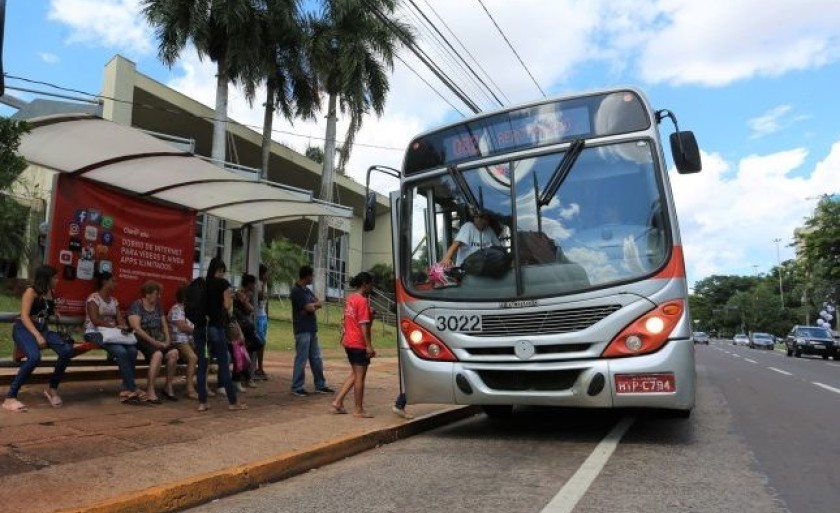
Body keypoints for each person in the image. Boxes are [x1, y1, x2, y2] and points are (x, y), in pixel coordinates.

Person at [3, 265, 72, 412]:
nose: (57, 280)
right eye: (54, 277)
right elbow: (24, 316)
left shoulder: (49, 292)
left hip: (42, 328)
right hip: (24, 328)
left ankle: (52, 389)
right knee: (34, 357)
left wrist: (55, 312)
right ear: (46, 278)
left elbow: (46, 309)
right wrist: (37, 335)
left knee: (66, 350)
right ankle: (10, 397)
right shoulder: (30, 291)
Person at [84, 272, 144, 404]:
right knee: (121, 351)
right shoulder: (93, 298)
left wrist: (123, 327)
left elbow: (120, 319)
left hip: (111, 334)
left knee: (132, 351)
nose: (115, 284)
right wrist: (113, 326)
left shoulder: (114, 300)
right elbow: (94, 320)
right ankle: (132, 387)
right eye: (113, 281)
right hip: (94, 333)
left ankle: (126, 386)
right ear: (105, 282)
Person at [196, 257, 246, 412]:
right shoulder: (223, 284)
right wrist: (231, 296)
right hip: (215, 329)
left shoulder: (202, 283)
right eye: (223, 271)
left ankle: (202, 403)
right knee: (224, 365)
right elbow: (227, 305)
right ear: (221, 271)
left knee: (202, 366)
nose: (224, 275)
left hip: (200, 329)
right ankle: (233, 402)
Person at [332, 272, 376, 418]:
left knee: (355, 374)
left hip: (348, 341)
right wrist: (369, 346)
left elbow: (352, 319)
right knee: (360, 377)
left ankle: (338, 402)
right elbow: (363, 325)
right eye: (371, 284)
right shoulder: (363, 301)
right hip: (358, 343)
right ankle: (358, 409)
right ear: (365, 284)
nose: (372, 287)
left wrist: (371, 316)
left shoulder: (350, 299)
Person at [127, 281, 179, 404]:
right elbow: (137, 328)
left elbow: (164, 325)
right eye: (157, 294)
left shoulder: (158, 305)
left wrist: (167, 340)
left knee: (174, 353)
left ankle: (168, 386)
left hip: (158, 337)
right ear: (148, 294)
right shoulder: (137, 305)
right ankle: (150, 389)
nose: (159, 296)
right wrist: (153, 342)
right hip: (143, 338)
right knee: (158, 354)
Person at [289, 265, 333, 396]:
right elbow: (310, 308)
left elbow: (318, 303)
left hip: (311, 329)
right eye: (311, 276)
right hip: (302, 329)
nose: (312, 278)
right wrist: (313, 306)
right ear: (306, 276)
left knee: (316, 358)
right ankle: (297, 386)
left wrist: (313, 305)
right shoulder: (296, 291)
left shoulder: (307, 291)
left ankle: (320, 384)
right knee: (301, 359)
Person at [168, 283, 199, 400]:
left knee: (206, 354)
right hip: (179, 341)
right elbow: (183, 327)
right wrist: (198, 331)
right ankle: (189, 389)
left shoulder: (189, 309)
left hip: (191, 340)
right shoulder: (177, 309)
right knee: (193, 358)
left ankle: (204, 386)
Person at [253, 264, 270, 379]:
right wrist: (263, 285)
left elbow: (265, 299)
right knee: (258, 342)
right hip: (257, 316)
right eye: (265, 273)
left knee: (262, 342)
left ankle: (260, 367)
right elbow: (260, 296)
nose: (266, 276)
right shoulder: (258, 284)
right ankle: (255, 367)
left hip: (263, 315)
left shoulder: (265, 284)